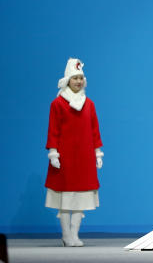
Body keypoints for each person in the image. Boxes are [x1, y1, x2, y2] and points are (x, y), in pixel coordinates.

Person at [45, 58, 103, 247]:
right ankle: (66, 234)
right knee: (66, 196)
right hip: (65, 157)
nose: (78, 81)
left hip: (84, 157)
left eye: (80, 78)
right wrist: (53, 152)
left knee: (81, 196)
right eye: (74, 78)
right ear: (68, 79)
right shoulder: (58, 104)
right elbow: (53, 129)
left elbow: (94, 129)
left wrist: (97, 152)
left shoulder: (90, 104)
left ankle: (74, 234)